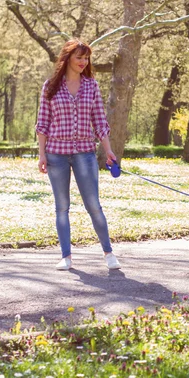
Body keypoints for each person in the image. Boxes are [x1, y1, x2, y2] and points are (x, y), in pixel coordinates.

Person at [35, 38, 121, 271]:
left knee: (93, 204)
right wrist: (41, 155)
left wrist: (108, 149)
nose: (84, 62)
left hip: (85, 153)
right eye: (79, 57)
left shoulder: (91, 86)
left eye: (86, 58)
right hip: (56, 154)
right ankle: (66, 256)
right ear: (67, 58)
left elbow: (99, 121)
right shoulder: (50, 86)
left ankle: (108, 252)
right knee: (62, 206)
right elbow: (42, 123)